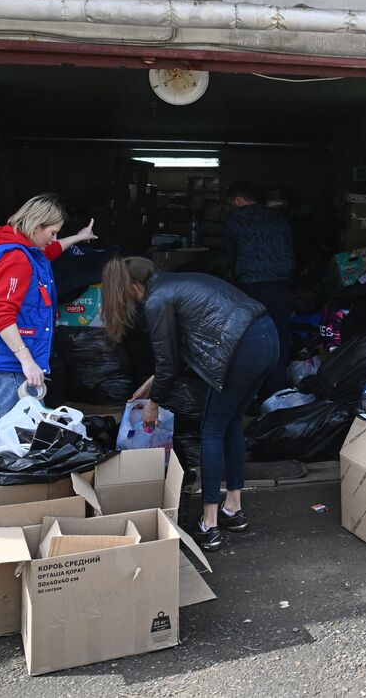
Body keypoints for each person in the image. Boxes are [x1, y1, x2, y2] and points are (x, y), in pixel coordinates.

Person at [101, 256, 279, 551]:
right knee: (231, 423)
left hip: (241, 348)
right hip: (267, 337)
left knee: (211, 431)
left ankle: (209, 523)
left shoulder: (157, 300)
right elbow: (175, 351)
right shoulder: (174, 284)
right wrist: (151, 383)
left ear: (133, 287)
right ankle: (232, 508)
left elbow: (168, 361)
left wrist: (154, 402)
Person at [0, 194, 96, 451]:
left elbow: (51, 251)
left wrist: (78, 238)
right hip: (7, 363)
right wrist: (27, 360)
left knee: (3, 428)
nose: (54, 239)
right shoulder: (16, 259)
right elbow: (0, 313)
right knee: (15, 436)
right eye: (52, 232)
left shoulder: (13, 247)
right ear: (36, 226)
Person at [224, 182, 295, 404]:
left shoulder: (235, 221)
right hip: (280, 285)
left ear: (236, 200)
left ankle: (251, 394)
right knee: (281, 337)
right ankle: (276, 392)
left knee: (251, 339)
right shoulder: (278, 218)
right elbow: (290, 250)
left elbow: (230, 256)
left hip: (250, 287)